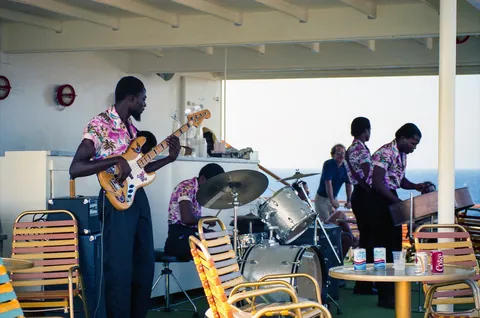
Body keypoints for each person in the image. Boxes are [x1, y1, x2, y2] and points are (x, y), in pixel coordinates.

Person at [69, 76, 181, 318]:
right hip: (114, 200)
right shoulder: (99, 125)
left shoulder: (132, 128)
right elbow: (75, 168)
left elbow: (140, 170)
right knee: (119, 270)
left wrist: (169, 159)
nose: (144, 104)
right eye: (143, 99)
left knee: (144, 266)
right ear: (130, 98)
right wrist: (115, 159)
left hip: (138, 199)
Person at [370, 123, 432, 309]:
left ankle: (391, 292)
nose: (414, 147)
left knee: (395, 246)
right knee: (384, 247)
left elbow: (398, 180)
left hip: (390, 197)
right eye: (413, 143)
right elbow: (377, 183)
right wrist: (395, 201)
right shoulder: (385, 153)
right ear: (402, 138)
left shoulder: (402, 155)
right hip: (379, 200)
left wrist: (416, 186)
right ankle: (384, 295)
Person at [164, 163, 225, 260]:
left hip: (190, 233)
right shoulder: (186, 187)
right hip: (178, 237)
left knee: (219, 239)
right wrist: (206, 219)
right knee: (214, 245)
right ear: (202, 179)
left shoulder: (198, 190)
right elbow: (187, 219)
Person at [345, 117, 376, 295]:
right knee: (368, 240)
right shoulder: (361, 149)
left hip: (358, 194)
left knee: (365, 239)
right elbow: (368, 175)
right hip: (365, 196)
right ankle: (364, 283)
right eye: (369, 130)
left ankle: (362, 281)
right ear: (365, 130)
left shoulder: (351, 149)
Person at [292, 180, 355, 259]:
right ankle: (338, 261)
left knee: (340, 217)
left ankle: (353, 241)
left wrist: (322, 222)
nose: (308, 192)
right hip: (314, 233)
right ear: (298, 193)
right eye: (305, 190)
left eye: (307, 189)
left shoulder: (304, 203)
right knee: (347, 236)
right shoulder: (299, 206)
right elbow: (304, 224)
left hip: (318, 227)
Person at [315, 144, 353, 222]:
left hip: (334, 198)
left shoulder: (346, 167)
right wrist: (332, 200)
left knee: (337, 223)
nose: (341, 155)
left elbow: (348, 184)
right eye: (338, 153)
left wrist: (349, 200)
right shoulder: (328, 164)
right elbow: (328, 183)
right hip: (322, 200)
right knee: (326, 225)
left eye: (343, 153)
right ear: (333, 155)